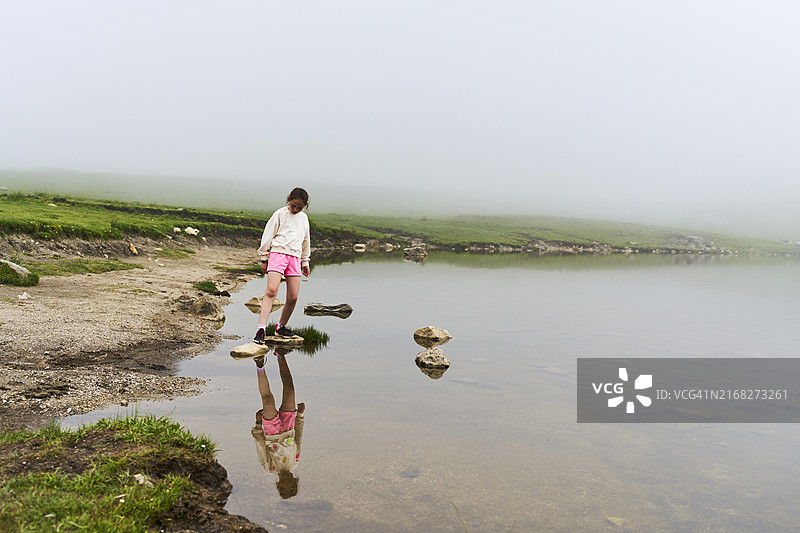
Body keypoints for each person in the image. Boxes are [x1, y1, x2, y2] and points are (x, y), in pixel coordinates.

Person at [254, 187, 311, 343]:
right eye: (293, 206)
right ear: (288, 199)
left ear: (305, 206)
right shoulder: (279, 214)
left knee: (293, 297)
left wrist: (305, 261)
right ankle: (261, 329)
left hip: (295, 258)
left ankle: (281, 327)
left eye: (300, 207)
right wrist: (264, 258)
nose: (295, 209)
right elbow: (267, 236)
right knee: (271, 291)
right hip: (278, 255)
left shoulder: (304, 219)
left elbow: (306, 241)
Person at [250, 347, 305, 499]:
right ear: (294, 480)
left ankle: (260, 364)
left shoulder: (270, 468)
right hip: (289, 427)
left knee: (267, 400)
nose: (287, 481)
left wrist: (258, 425)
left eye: (284, 484)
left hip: (272, 433)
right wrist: (299, 416)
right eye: (290, 483)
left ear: (279, 484)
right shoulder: (295, 462)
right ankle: (280, 355)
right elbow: (299, 438)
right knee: (290, 389)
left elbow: (261, 447)